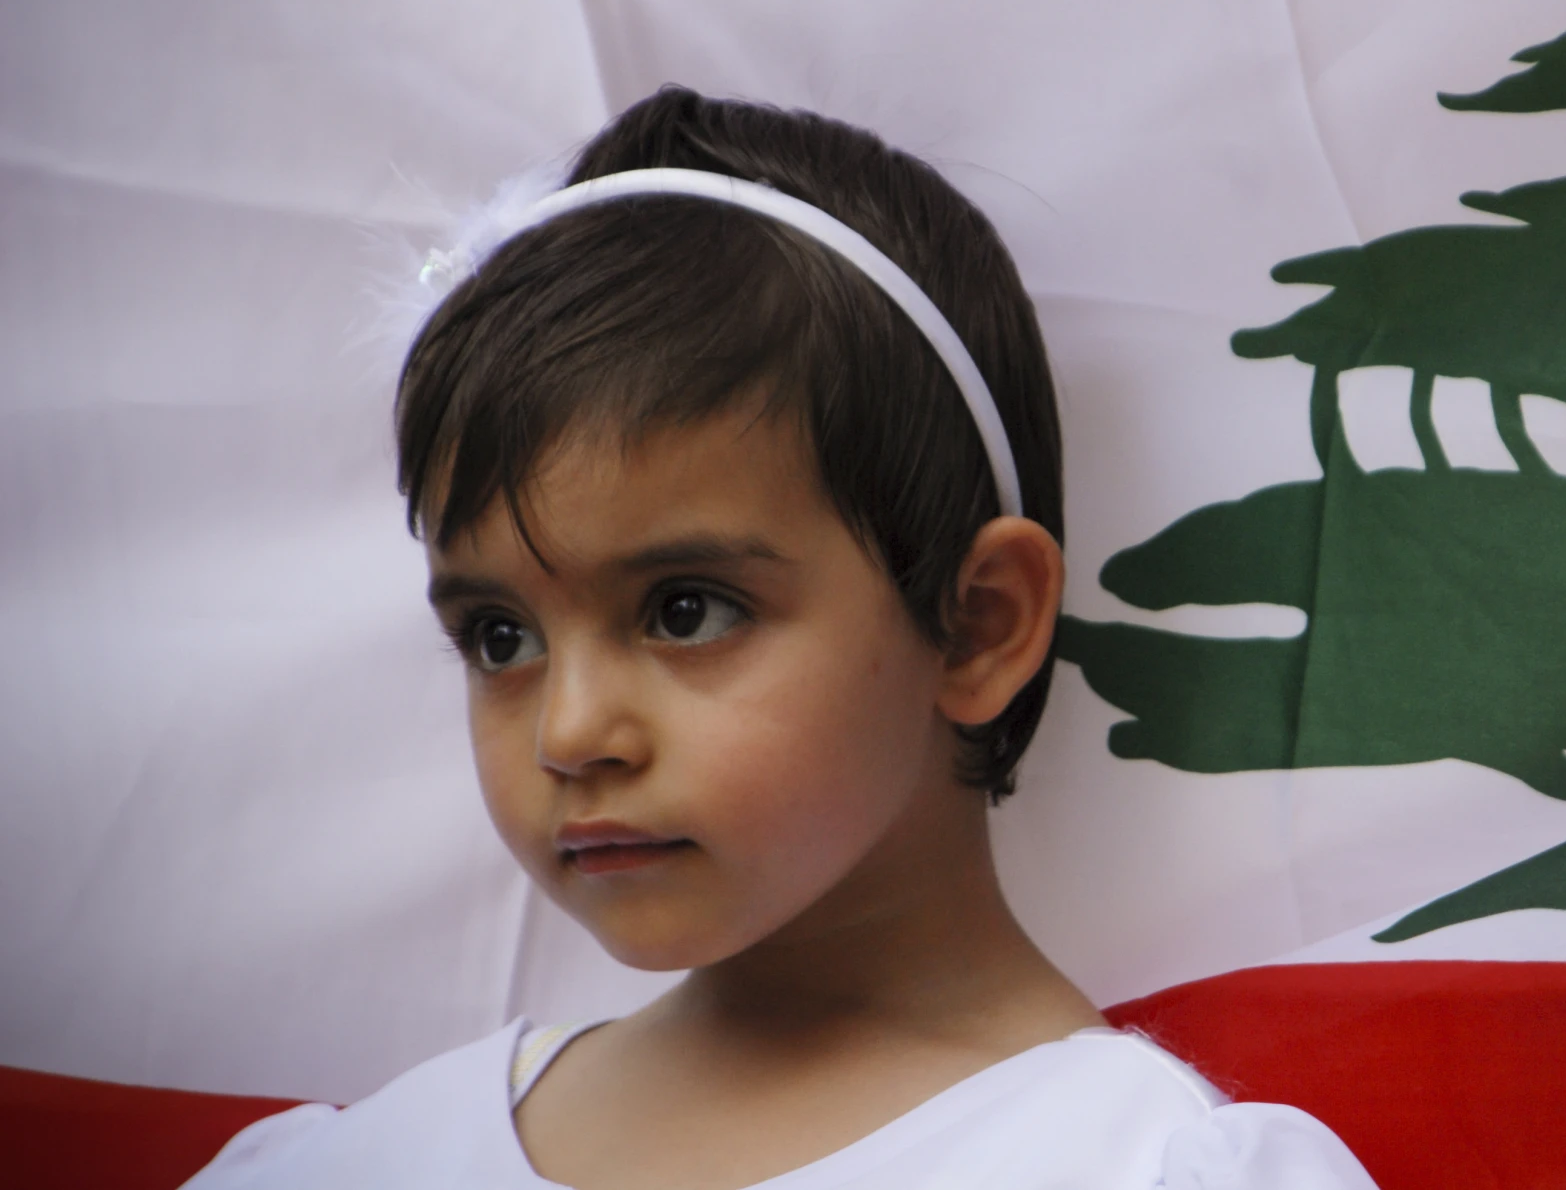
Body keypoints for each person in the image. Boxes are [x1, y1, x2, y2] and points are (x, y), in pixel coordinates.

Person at [187, 88, 1377, 1189]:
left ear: (975, 623)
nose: (569, 731)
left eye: (685, 610)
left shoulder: (1132, 1167)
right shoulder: (366, 1163)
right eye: (500, 637)